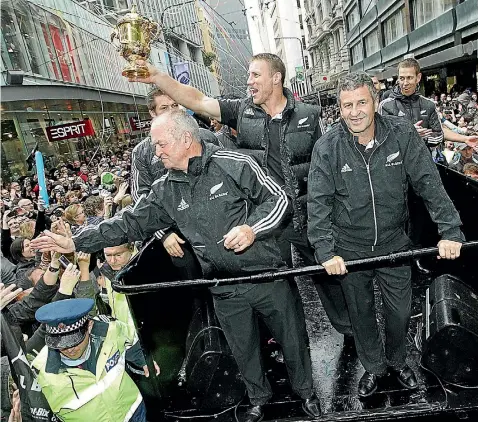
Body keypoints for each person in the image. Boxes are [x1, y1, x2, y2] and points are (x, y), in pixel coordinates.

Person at [31, 111, 321, 422]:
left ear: (185, 139)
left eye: (161, 144)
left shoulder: (234, 163)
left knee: (292, 339)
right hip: (222, 287)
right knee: (243, 349)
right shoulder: (164, 189)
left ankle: (307, 393)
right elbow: (126, 224)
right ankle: (258, 399)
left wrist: (251, 228)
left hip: (267, 277)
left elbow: (279, 199)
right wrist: (75, 242)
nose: (156, 152)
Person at [127, 52, 352, 341]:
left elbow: (327, 163)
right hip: (265, 218)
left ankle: (349, 331)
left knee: (328, 274)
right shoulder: (241, 111)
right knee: (277, 284)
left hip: (309, 213)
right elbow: (197, 100)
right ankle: (292, 342)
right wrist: (157, 76)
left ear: (276, 78)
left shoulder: (310, 115)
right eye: (248, 76)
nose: (249, 82)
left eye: (255, 75)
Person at [307, 72, 464, 398]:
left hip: (394, 243)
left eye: (361, 102)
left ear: (375, 102)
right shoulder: (327, 148)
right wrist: (325, 251)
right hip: (349, 247)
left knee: (400, 311)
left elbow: (429, 184)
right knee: (361, 314)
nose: (354, 112)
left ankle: (396, 360)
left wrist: (450, 230)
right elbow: (317, 204)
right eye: (347, 105)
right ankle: (375, 368)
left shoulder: (402, 133)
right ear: (339, 107)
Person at [131, 87, 218, 271]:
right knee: (194, 294)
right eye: (164, 108)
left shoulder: (205, 137)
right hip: (177, 239)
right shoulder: (142, 152)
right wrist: (163, 233)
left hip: (216, 226)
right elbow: (141, 197)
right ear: (152, 113)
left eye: (175, 105)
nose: (172, 111)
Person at [31, 297, 147, 421]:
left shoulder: (110, 330)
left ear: (90, 326)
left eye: (75, 342)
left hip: (133, 413)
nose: (69, 350)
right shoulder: (40, 371)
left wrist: (143, 360)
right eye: (61, 345)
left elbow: (129, 337)